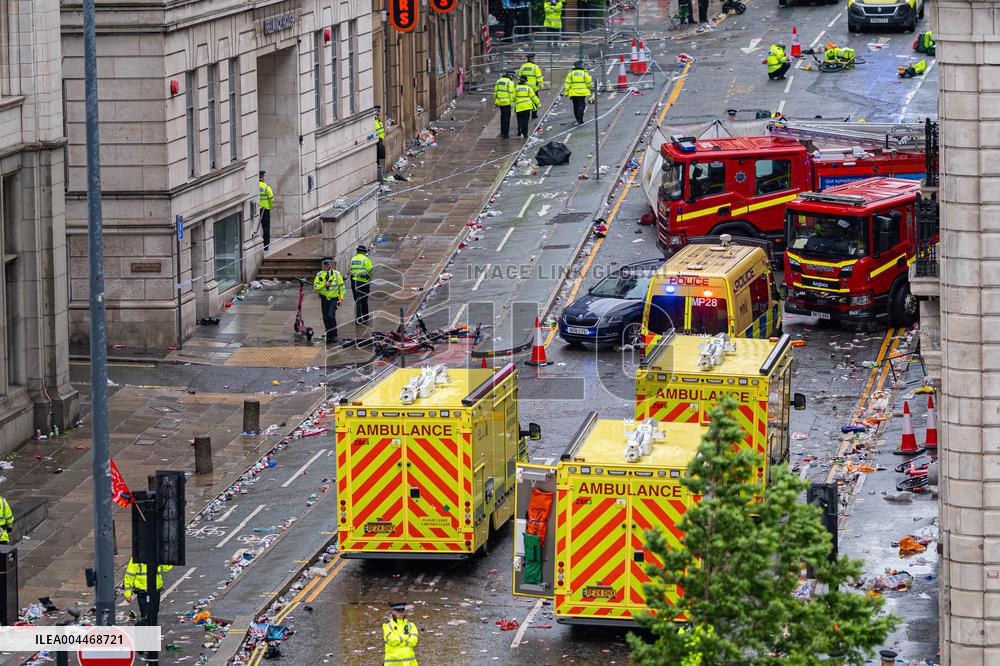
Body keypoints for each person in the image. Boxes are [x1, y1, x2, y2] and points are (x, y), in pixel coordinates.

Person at [123, 557, 173, 625]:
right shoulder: (136, 558)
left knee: (154, 613)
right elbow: (129, 576)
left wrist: (162, 557)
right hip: (143, 592)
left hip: (155, 591)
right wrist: (128, 594)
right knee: (146, 615)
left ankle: (150, 630)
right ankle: (147, 630)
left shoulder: (156, 555)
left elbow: (167, 568)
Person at [314, 258, 345, 344]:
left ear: (331, 264)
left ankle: (334, 334)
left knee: (331, 316)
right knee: (325, 317)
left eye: (328, 264)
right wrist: (324, 285)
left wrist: (341, 298)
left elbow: (342, 287)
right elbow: (316, 287)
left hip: (334, 298)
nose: (327, 266)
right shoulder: (320, 275)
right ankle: (329, 335)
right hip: (324, 299)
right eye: (325, 264)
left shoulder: (336, 274)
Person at [562, 61, 593, 125]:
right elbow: (589, 84)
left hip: (573, 93)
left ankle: (577, 119)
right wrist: (587, 88)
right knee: (581, 105)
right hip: (582, 93)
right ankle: (580, 119)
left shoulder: (570, 74)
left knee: (575, 106)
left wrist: (566, 93)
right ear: (581, 66)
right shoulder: (584, 74)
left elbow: (566, 84)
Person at [349, 245, 374, 325]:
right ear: (363, 252)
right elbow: (371, 270)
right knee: (364, 300)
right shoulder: (366, 259)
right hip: (364, 283)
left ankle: (358, 319)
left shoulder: (353, 259)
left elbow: (352, 270)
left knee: (357, 301)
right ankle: (365, 317)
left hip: (355, 282)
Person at [518, 54, 543, 119]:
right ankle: (534, 115)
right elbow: (539, 77)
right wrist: (541, 86)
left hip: (524, 87)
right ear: (532, 59)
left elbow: (519, 76)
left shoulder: (523, 66)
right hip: (533, 88)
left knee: (526, 101)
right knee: (534, 100)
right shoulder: (535, 67)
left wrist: (519, 84)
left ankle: (527, 114)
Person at [493, 71, 516, 139]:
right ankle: (506, 135)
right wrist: (512, 104)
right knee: (507, 119)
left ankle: (502, 132)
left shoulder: (498, 81)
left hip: (500, 102)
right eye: (513, 76)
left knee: (502, 117)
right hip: (507, 103)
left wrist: (495, 102)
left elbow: (495, 93)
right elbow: (511, 94)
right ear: (510, 75)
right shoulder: (510, 82)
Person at [258, 171, 274, 251]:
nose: (264, 178)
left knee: (256, 227)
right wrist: (270, 207)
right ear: (261, 178)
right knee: (266, 228)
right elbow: (271, 199)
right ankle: (266, 245)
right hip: (265, 210)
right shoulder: (267, 187)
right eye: (263, 177)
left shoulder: (255, 187)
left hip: (257, 210)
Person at [374, 106, 386, 183]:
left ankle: (378, 175)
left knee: (379, 158)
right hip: (376, 141)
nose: (379, 112)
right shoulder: (374, 121)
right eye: (378, 111)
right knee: (377, 158)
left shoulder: (377, 120)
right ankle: (377, 177)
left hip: (379, 140)